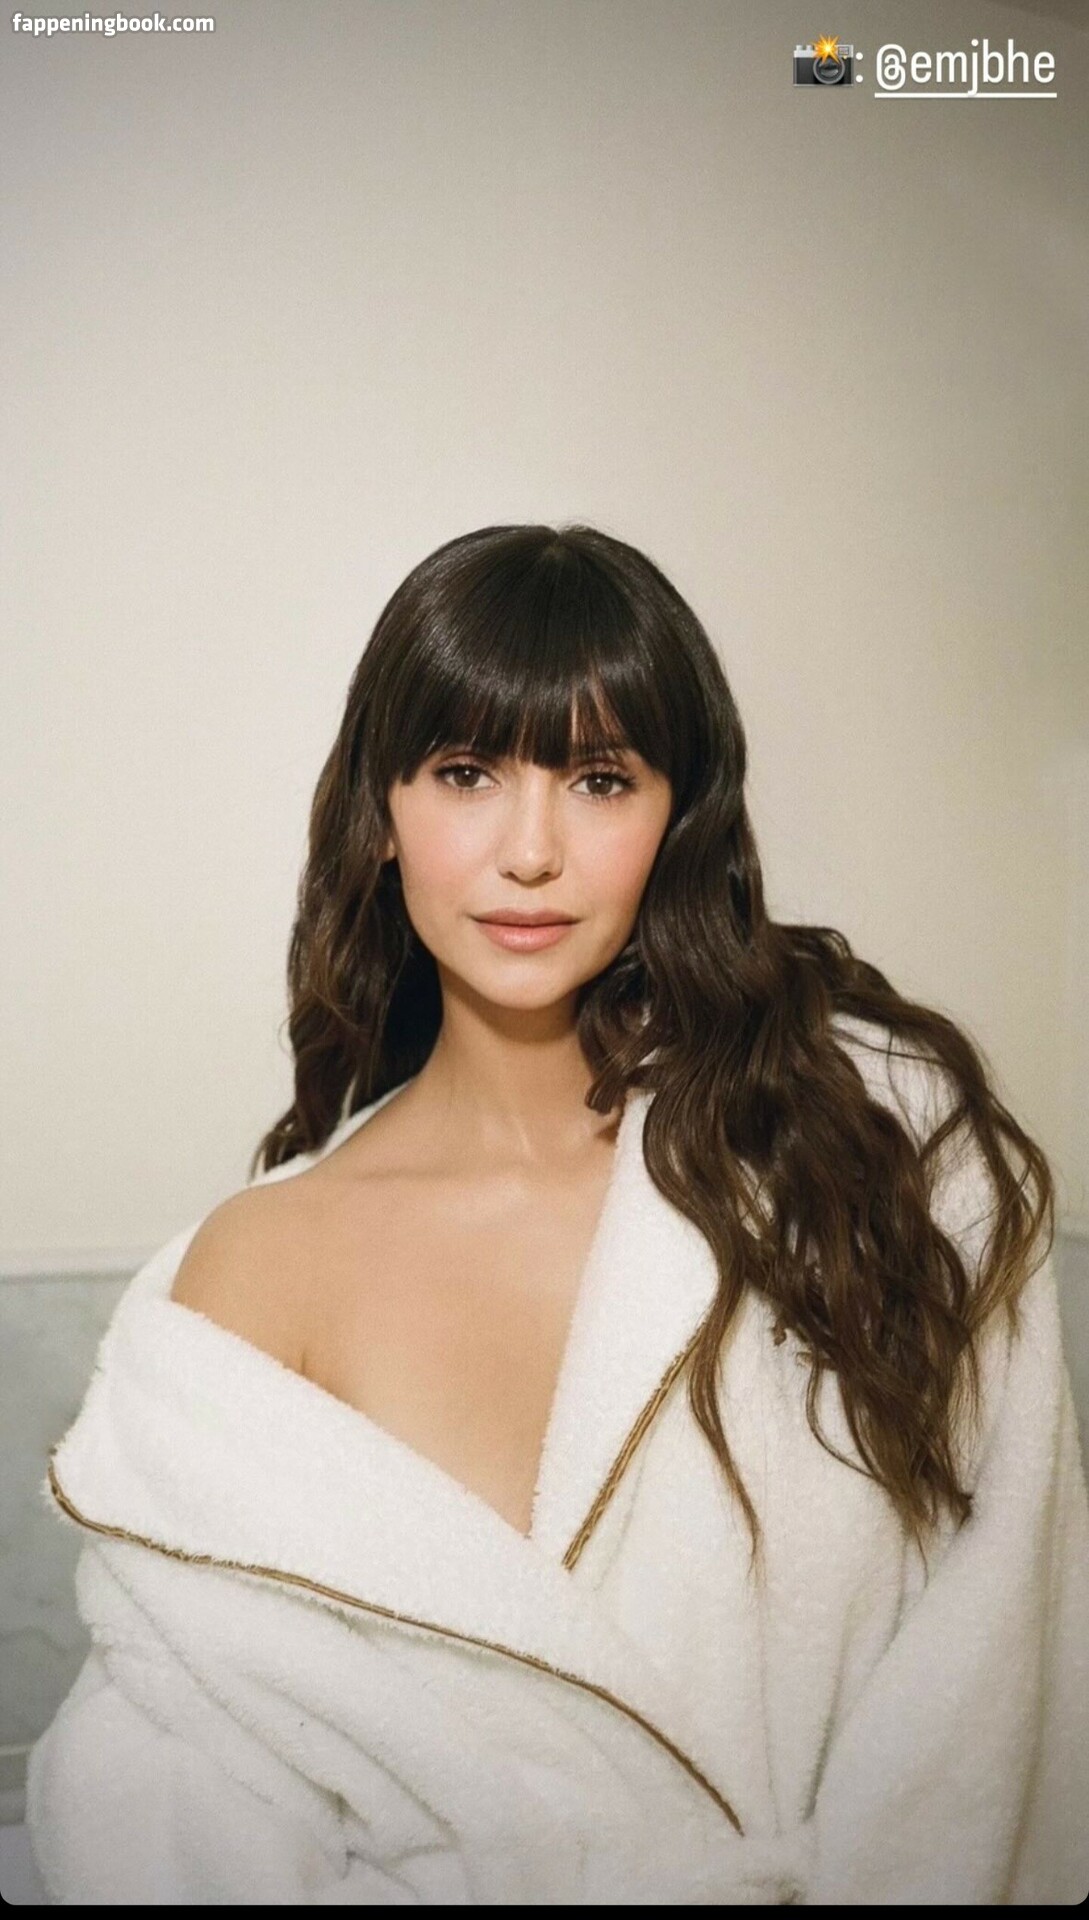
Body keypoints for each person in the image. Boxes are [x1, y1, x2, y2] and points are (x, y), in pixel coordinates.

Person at [26, 523, 1089, 1904]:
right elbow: (162, 1791)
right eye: (466, 773)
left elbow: (1002, 1668)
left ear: (678, 816)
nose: (531, 852)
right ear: (380, 810)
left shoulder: (874, 1147)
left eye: (598, 780)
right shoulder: (256, 1268)